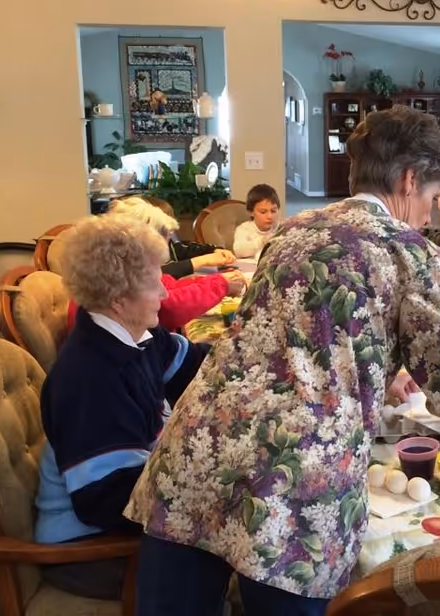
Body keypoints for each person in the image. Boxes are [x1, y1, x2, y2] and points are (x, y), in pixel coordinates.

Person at [125, 106, 440, 615]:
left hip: (199, 451)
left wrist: (374, 369)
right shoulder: (412, 252)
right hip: (297, 482)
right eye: (433, 198)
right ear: (410, 179)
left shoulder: (291, 230)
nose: (432, 214)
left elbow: (298, 333)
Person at [35, 216, 210, 600]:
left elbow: (195, 365)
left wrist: (258, 356)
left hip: (130, 509)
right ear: (119, 298)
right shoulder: (91, 379)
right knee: (237, 554)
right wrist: (211, 487)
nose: (165, 294)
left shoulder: (133, 337)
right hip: (89, 550)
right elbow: (110, 501)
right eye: (155, 284)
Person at [67, 196, 246, 333]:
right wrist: (221, 284)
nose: (167, 245)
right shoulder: (118, 277)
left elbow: (168, 287)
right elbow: (169, 307)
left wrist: (218, 281)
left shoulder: (120, 266)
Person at [233, 183, 281, 258]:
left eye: (273, 211)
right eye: (263, 212)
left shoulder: (280, 228)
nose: (269, 216)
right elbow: (238, 251)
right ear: (251, 212)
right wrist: (262, 241)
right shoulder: (244, 229)